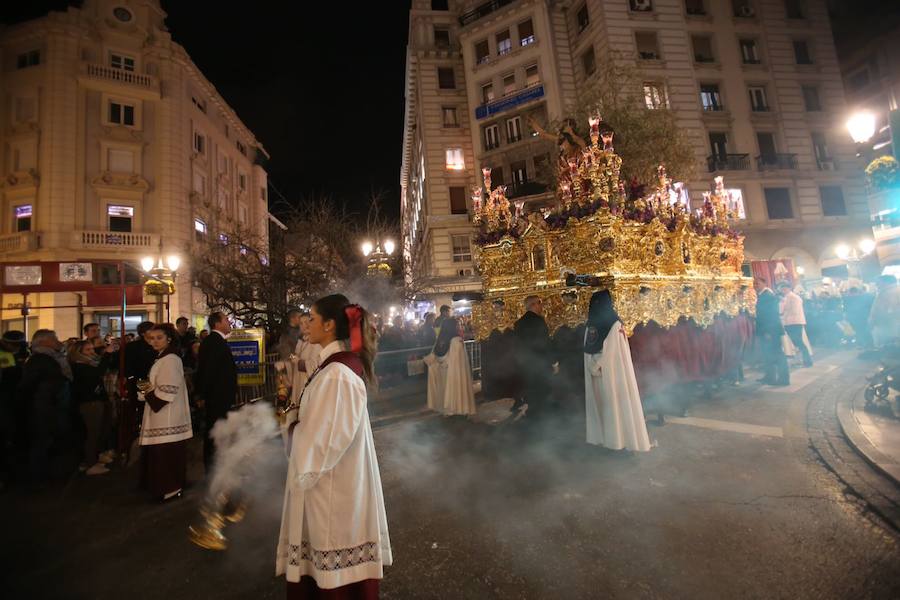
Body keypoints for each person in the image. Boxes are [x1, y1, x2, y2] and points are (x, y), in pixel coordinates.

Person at [277, 294, 391, 597]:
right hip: (333, 483)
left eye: (311, 319)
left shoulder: (337, 373)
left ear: (329, 325)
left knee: (334, 577)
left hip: (332, 489)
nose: (306, 325)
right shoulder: (332, 368)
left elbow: (325, 440)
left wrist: (290, 428)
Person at [583, 290, 652, 452]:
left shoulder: (611, 325)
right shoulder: (614, 324)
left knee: (612, 408)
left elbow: (607, 352)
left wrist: (593, 366)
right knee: (612, 408)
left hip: (607, 374)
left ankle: (617, 443)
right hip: (610, 374)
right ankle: (612, 442)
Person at [137, 323, 192, 501]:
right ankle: (166, 487)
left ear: (169, 338)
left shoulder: (170, 360)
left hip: (167, 417)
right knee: (162, 456)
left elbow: (166, 392)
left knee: (166, 456)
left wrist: (145, 389)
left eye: (159, 338)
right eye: (151, 338)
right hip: (161, 417)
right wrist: (145, 387)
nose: (154, 342)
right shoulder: (162, 358)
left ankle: (171, 488)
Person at [18, 330, 73, 484]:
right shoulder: (40, 360)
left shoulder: (52, 358)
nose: (57, 341)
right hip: (44, 409)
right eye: (54, 338)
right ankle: (40, 478)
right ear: (44, 342)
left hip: (50, 406)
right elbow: (31, 386)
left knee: (49, 442)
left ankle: (48, 475)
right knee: (42, 443)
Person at [195, 311, 238, 473]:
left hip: (219, 396)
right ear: (218, 323)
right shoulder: (214, 342)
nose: (229, 323)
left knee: (218, 430)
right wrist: (202, 394)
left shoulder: (216, 341)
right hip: (216, 397)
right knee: (215, 431)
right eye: (226, 320)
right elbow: (208, 371)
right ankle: (214, 469)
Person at [68, 340, 117, 475]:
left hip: (96, 401)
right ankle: (90, 463)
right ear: (78, 353)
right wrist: (107, 355)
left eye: (92, 349)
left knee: (99, 431)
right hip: (90, 403)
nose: (92, 352)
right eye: (87, 350)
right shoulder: (79, 366)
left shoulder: (88, 364)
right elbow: (98, 373)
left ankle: (94, 458)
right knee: (92, 433)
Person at [513, 295, 555, 419]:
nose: (541, 306)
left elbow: (517, 345)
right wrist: (552, 362)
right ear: (533, 305)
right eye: (539, 303)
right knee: (542, 391)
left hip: (526, 363)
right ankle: (543, 418)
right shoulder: (539, 321)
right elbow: (544, 343)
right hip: (540, 363)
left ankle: (532, 416)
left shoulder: (519, 323)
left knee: (530, 390)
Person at [423, 317, 476, 416]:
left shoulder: (440, 339)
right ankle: (456, 408)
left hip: (442, 369)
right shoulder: (456, 340)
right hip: (454, 372)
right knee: (454, 389)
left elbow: (435, 355)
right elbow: (459, 361)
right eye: (457, 325)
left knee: (444, 389)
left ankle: (446, 410)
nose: (458, 327)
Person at [123, 321, 157, 460]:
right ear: (143, 333)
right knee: (145, 407)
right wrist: (137, 382)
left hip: (155, 381)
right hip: (142, 382)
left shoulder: (156, 345)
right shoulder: (133, 347)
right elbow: (130, 367)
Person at [755, 278, 789, 386]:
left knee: (777, 354)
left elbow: (770, 315)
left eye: (758, 283)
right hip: (767, 329)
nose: (755, 285)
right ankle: (770, 376)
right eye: (754, 283)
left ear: (764, 283)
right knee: (767, 354)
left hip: (770, 330)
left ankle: (784, 379)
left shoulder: (767, 296)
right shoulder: (762, 295)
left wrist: (768, 331)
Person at [289, 312, 321, 406]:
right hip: (299, 382)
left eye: (307, 322)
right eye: (301, 323)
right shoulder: (302, 341)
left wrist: (299, 362)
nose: (304, 326)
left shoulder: (317, 342)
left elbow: (316, 366)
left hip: (308, 385)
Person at [778, 282, 813, 367]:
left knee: (799, 342)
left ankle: (807, 361)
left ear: (789, 288)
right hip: (790, 322)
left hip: (794, 322)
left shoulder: (793, 297)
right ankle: (801, 360)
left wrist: (783, 314)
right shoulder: (786, 297)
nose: (783, 290)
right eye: (782, 289)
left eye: (784, 289)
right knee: (797, 343)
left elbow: (793, 311)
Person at [869, 275, 900, 348]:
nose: (876, 285)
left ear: (886, 282)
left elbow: (883, 310)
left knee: (890, 345)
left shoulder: (887, 293)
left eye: (878, 282)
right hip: (893, 323)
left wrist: (872, 320)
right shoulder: (893, 290)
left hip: (889, 324)